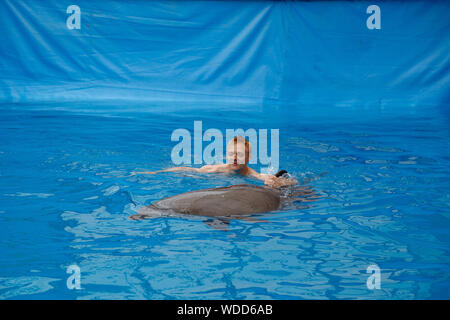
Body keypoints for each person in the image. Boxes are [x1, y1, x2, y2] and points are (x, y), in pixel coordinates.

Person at [133, 136, 297, 189]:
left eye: (239, 155)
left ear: (248, 159)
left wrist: (279, 183)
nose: (234, 158)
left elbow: (276, 179)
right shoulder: (214, 169)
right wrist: (155, 173)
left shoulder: (251, 174)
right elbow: (186, 169)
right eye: (231, 154)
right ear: (226, 156)